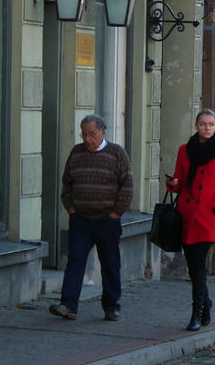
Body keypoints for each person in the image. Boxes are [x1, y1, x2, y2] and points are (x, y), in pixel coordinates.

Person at [50, 114, 133, 322]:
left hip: (107, 219)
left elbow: (127, 185)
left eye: (92, 134)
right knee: (75, 261)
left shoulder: (116, 153)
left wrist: (116, 213)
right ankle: (68, 305)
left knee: (110, 263)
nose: (87, 139)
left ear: (103, 132)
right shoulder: (76, 153)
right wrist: (70, 207)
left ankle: (112, 306)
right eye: (84, 135)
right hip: (81, 219)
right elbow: (67, 182)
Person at [166, 109, 215, 331]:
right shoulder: (184, 151)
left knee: (198, 267)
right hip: (187, 216)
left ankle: (196, 313)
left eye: (211, 124)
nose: (208, 128)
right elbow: (179, 184)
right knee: (193, 267)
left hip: (208, 218)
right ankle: (206, 304)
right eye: (203, 124)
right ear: (196, 126)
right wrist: (172, 184)